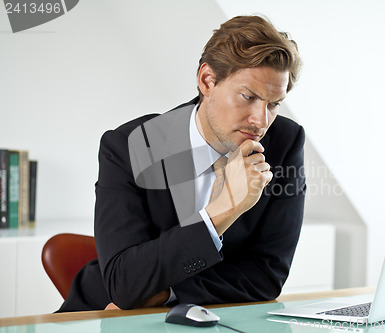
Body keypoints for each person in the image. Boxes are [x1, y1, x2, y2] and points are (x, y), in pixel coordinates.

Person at [58, 15, 306, 312]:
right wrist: (223, 210)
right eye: (248, 96)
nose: (261, 120)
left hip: (205, 319)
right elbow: (125, 284)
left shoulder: (285, 143)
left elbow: (267, 277)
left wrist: (166, 294)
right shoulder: (130, 146)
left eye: (273, 104)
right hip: (101, 316)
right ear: (207, 81)